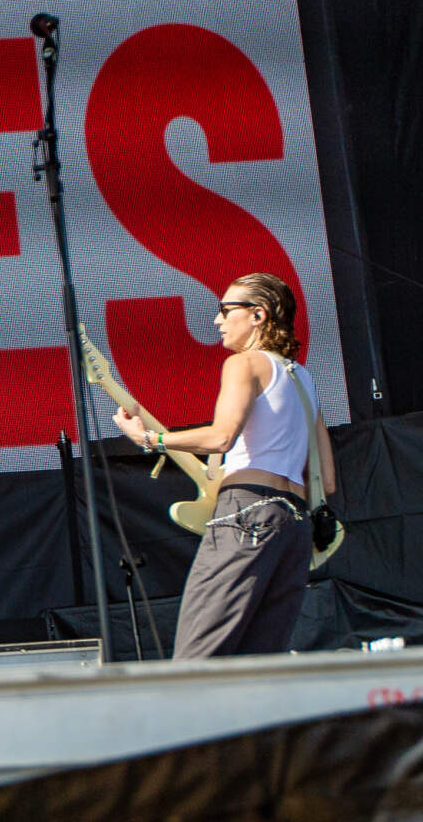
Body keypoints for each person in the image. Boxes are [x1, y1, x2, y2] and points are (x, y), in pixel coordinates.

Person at [113, 272, 338, 659]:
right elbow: (327, 481)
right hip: (295, 527)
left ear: (258, 315)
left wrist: (151, 440)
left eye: (224, 310)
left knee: (199, 657)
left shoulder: (244, 364)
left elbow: (221, 437)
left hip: (248, 513)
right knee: (259, 662)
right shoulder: (304, 378)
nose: (217, 320)